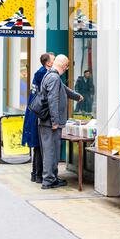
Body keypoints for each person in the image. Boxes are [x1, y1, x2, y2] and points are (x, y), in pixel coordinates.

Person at [39, 55, 83, 190]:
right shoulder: (54, 77)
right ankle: (49, 180)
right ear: (64, 66)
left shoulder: (51, 75)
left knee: (51, 150)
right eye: (67, 66)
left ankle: (51, 177)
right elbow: (53, 100)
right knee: (51, 151)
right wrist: (55, 122)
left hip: (47, 122)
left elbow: (64, 90)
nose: (67, 69)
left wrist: (77, 97)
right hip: (50, 123)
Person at [22, 52, 55, 183]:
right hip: (38, 112)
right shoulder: (43, 74)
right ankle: (38, 174)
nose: (55, 61)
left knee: (38, 144)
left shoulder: (41, 72)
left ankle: (36, 174)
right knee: (39, 144)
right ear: (48, 63)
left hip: (35, 110)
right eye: (53, 59)